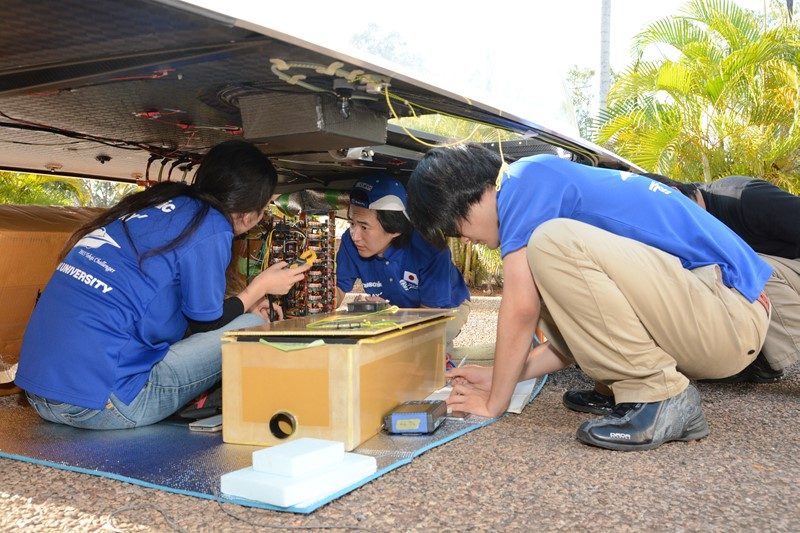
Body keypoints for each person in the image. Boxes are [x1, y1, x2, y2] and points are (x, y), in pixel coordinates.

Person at [407, 144, 771, 452]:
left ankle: (659, 395)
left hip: (729, 315)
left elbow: (520, 310)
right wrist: (502, 376)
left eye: (456, 229)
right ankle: (624, 386)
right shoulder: (539, 182)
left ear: (469, 195)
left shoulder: (523, 184)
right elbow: (575, 334)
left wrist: (494, 402)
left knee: (550, 243)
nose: (464, 240)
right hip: (718, 315)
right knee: (546, 264)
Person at [15, 140, 310, 429]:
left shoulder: (160, 207)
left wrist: (245, 297)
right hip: (100, 405)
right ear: (248, 215)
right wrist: (260, 287)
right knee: (250, 324)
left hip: (40, 394)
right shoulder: (212, 225)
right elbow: (206, 323)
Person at [335, 174, 470, 351]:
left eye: (364, 226)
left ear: (395, 228)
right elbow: (335, 292)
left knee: (420, 347)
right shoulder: (349, 242)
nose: (355, 235)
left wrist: (388, 315)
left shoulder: (430, 247)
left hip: (446, 308)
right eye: (352, 223)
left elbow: (430, 318)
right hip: (392, 312)